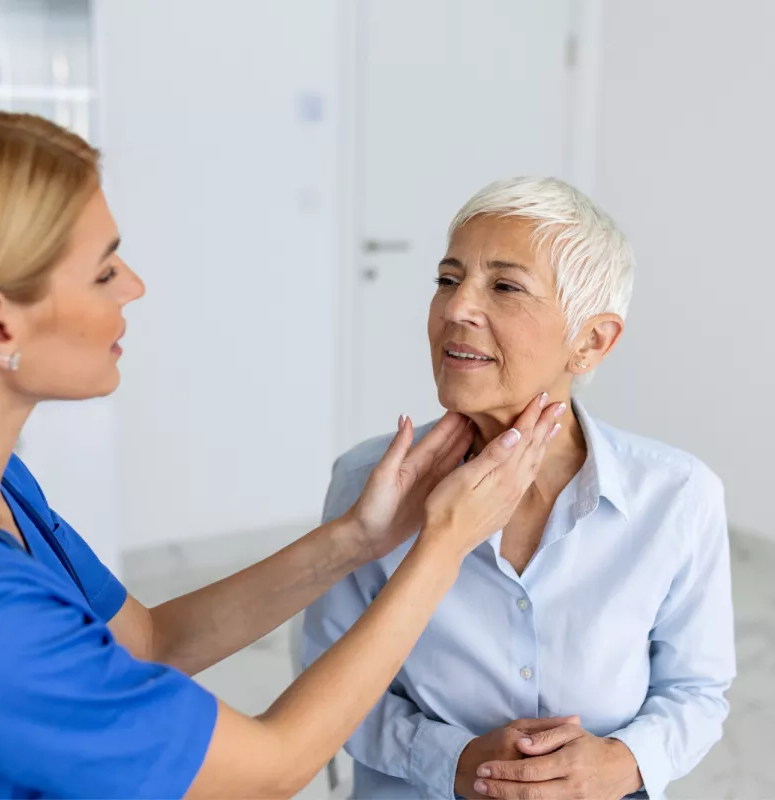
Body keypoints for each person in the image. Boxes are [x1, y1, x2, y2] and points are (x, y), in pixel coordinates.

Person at [0, 102, 569, 799]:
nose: (134, 286)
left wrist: (359, 539)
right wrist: (443, 545)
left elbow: (145, 643)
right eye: (105, 271)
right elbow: (271, 768)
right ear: (1, 322)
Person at [302, 177, 735, 800]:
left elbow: (697, 692)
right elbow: (325, 694)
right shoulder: (366, 485)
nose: (456, 308)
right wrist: (450, 761)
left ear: (591, 342)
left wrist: (621, 764)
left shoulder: (678, 496)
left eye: (504, 286)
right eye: (448, 279)